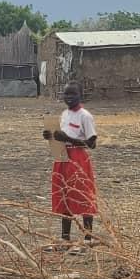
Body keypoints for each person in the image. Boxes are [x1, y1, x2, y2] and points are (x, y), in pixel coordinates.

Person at [42, 82, 98, 249]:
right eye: (66, 94)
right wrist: (50, 135)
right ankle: (65, 238)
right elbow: (62, 136)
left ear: (81, 95)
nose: (69, 98)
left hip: (78, 158)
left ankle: (88, 238)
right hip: (62, 156)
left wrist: (68, 139)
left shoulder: (85, 116)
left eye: (73, 94)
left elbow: (91, 144)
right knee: (63, 194)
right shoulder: (64, 114)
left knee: (82, 194)